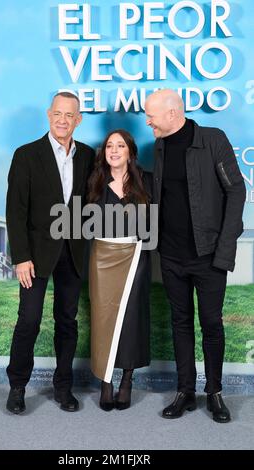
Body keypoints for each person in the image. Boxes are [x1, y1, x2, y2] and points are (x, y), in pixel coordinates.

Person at [145, 89, 246, 423]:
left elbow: (236, 190)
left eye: (152, 116)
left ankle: (214, 392)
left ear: (173, 113)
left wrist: (224, 250)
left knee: (212, 324)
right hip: (172, 257)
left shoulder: (212, 139)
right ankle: (185, 391)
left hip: (208, 255)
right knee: (180, 323)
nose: (148, 121)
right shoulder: (159, 146)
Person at [6, 92, 94, 414]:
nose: (62, 120)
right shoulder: (26, 155)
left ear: (78, 120)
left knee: (67, 321)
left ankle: (63, 387)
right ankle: (17, 387)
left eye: (69, 115)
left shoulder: (88, 156)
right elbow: (15, 211)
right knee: (28, 321)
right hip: (35, 255)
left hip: (73, 252)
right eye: (57, 113)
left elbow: (93, 204)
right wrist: (20, 257)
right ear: (48, 115)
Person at [87, 129, 153, 411]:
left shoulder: (146, 181)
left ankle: (127, 381)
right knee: (103, 319)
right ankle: (106, 382)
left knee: (131, 319)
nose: (114, 150)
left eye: (120, 145)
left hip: (136, 256)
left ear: (130, 151)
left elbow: (154, 223)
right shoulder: (94, 181)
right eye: (109, 146)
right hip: (102, 257)